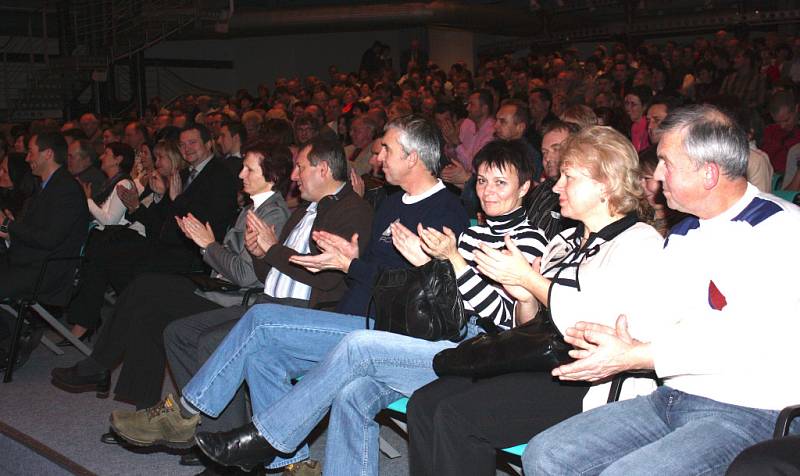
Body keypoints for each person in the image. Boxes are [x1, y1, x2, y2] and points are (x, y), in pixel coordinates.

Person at [109, 115, 469, 473]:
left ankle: (188, 412)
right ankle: (295, 466)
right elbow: (368, 275)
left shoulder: (447, 210)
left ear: (413, 157)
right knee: (261, 357)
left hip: (390, 332)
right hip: (352, 318)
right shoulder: (391, 203)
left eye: (387, 149)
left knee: (261, 319)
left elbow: (423, 293)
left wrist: (349, 265)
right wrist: (345, 262)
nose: (378, 158)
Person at [523, 105, 800, 475]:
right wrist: (616, 338)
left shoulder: (779, 232)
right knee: (545, 455)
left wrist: (635, 356)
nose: (656, 177)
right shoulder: (686, 234)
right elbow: (656, 315)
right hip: (671, 397)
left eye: (667, 163)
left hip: (748, 410)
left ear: (708, 173)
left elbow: (743, 341)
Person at [406, 125, 665, 476]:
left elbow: (588, 322)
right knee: (424, 403)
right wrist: (524, 297)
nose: (556, 186)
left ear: (605, 184)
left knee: (457, 417)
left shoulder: (639, 242)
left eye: (568, 177)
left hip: (586, 379)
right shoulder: (564, 242)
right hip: (537, 361)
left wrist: (529, 279)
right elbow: (526, 330)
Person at [51, 142, 293, 410]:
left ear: (271, 176)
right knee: (147, 307)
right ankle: (139, 409)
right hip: (219, 289)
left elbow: (246, 276)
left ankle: (98, 366)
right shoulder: (254, 207)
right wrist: (207, 244)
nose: (240, 175)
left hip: (235, 303)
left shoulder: (272, 214)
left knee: (146, 287)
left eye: (249, 170)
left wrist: (208, 245)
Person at [0, 133, 91, 302]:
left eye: (31, 152)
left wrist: (7, 224)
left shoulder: (66, 189)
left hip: (46, 271)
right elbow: (34, 232)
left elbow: (49, 238)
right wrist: (9, 232)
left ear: (48, 154)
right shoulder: (45, 186)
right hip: (29, 262)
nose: (27, 159)